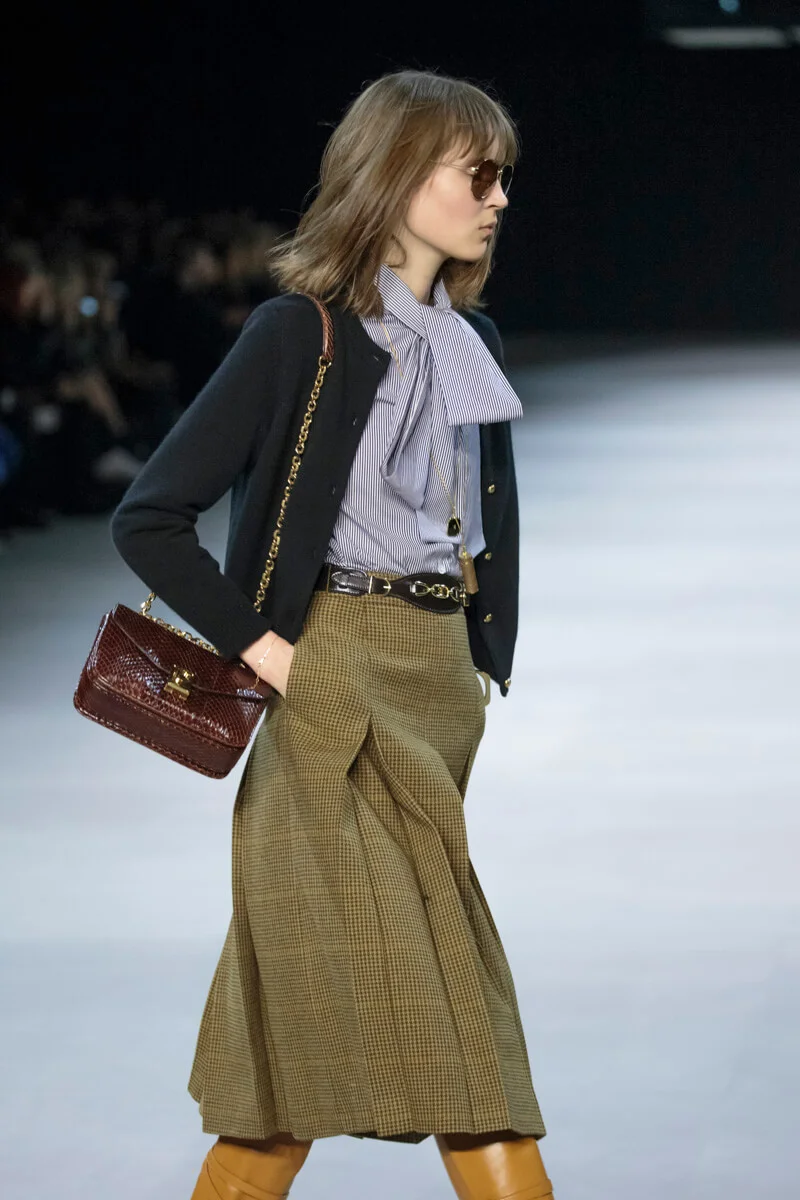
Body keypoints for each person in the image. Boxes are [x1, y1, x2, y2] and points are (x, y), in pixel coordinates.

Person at [110, 69, 555, 1200]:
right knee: (461, 1051)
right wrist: (267, 651)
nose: (499, 198)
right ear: (397, 175)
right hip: (330, 697)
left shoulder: (472, 340)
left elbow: (476, 521)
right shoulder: (295, 335)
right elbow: (149, 517)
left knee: (295, 1075)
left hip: (435, 692)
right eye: (478, 174)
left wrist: (476, 657)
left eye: (503, 177)